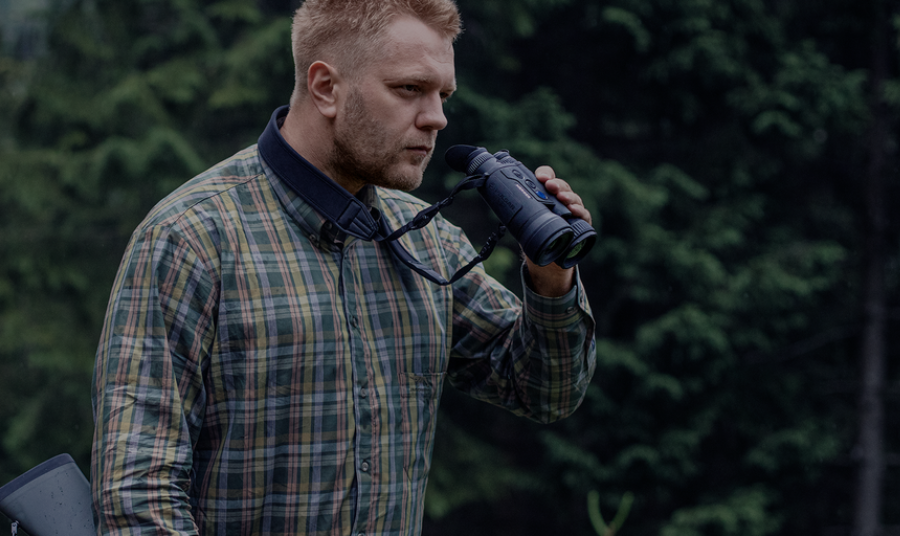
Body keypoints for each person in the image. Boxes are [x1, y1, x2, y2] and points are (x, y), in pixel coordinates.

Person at [90, 0, 597, 534]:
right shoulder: (189, 238)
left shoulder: (428, 242)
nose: (437, 117)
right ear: (326, 88)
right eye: (409, 89)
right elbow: (138, 497)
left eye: (443, 95)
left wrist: (551, 274)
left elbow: (545, 391)